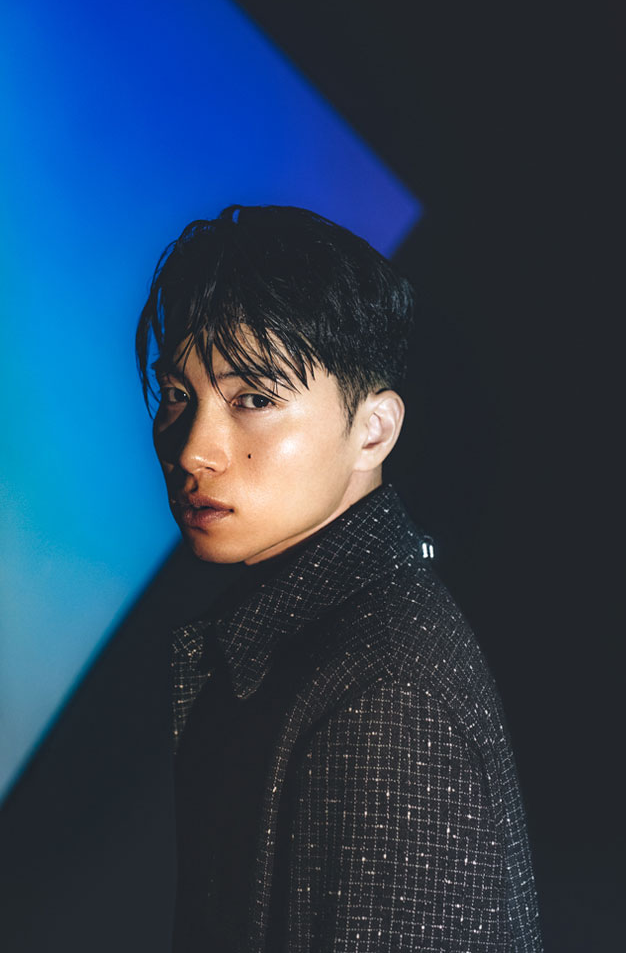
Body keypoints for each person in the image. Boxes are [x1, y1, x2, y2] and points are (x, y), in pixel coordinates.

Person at [136, 205, 542, 952]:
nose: (193, 450)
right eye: (178, 395)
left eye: (254, 399)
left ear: (373, 430)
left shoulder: (386, 697)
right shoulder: (317, 638)